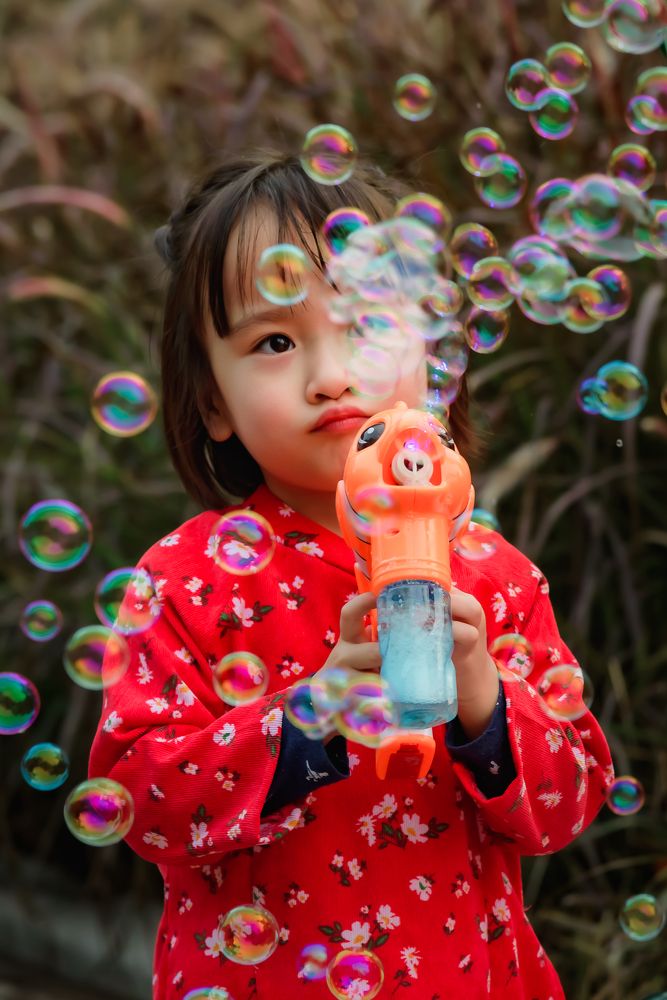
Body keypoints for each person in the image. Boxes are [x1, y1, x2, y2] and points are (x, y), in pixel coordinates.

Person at [89, 150, 614, 1000]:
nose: (330, 375)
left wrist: (484, 699)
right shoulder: (187, 583)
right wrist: (303, 719)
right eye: (273, 340)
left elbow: (571, 801)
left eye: (365, 326)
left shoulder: (494, 578)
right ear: (212, 403)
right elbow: (136, 801)